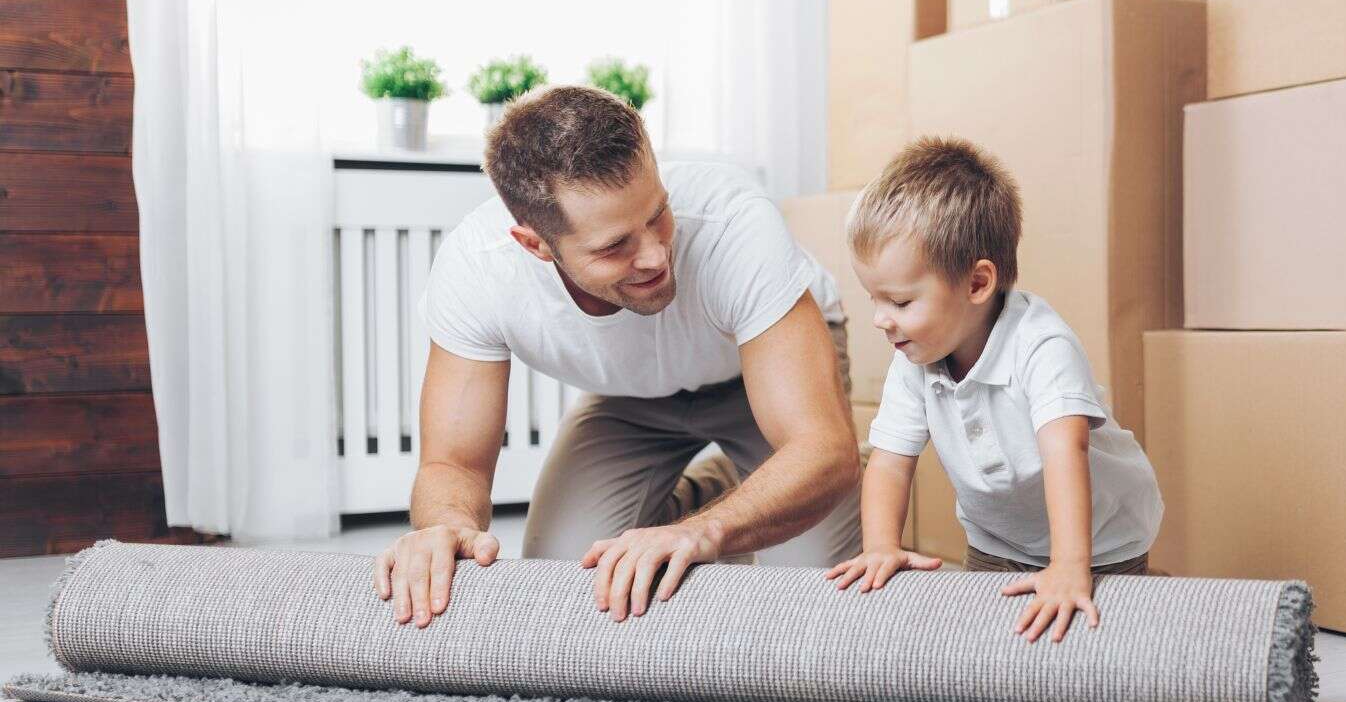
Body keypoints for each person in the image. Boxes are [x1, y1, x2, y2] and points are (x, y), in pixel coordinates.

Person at [373, 85, 862, 628]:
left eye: (658, 214)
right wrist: (444, 527)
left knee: (810, 599)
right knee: (567, 582)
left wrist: (702, 533)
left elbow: (822, 450)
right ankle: (721, 488)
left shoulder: (732, 221)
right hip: (631, 400)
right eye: (614, 246)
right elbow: (452, 463)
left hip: (758, 381)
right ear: (535, 244)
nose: (655, 255)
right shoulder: (478, 271)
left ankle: (733, 489)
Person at [825, 135, 1162, 642]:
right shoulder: (915, 356)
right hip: (996, 538)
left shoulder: (1041, 345)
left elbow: (1063, 451)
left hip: (1099, 537)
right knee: (993, 649)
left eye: (898, 301)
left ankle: (1155, 592)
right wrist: (880, 546)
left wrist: (1071, 566)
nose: (881, 320)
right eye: (874, 299)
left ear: (978, 283)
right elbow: (891, 460)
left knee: (1097, 640)